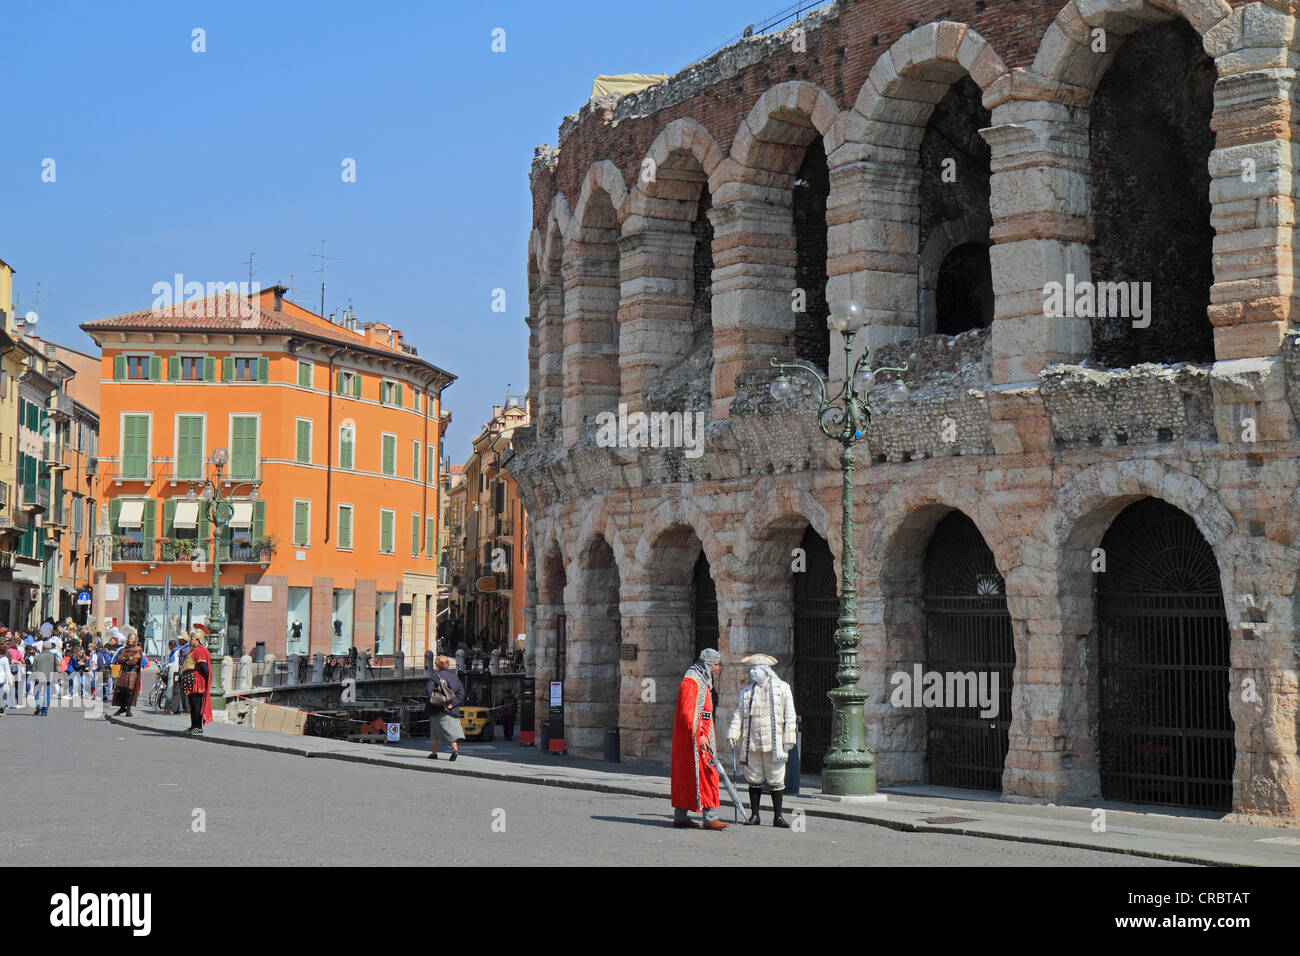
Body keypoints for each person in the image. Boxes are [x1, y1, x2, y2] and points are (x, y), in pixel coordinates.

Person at [727, 654, 798, 828]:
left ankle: (778, 817)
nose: (752, 672)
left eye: (756, 669)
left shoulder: (782, 688)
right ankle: (755, 815)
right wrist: (733, 733)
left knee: (776, 778)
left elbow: (790, 714)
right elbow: (739, 714)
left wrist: (789, 736)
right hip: (753, 742)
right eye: (751, 669)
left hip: (775, 743)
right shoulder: (746, 692)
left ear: (766, 671)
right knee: (754, 778)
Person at [670, 648, 727, 830]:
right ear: (708, 664)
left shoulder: (702, 680)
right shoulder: (691, 682)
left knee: (689, 775)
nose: (716, 669)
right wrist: (700, 734)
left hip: (701, 736)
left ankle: (682, 815)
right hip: (694, 740)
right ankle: (709, 817)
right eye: (715, 664)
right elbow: (688, 713)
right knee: (706, 774)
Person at [425, 654, 465, 761]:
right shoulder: (454, 677)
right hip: (452, 709)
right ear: (447, 664)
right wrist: (453, 704)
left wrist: (439, 702)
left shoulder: (434, 676)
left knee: (435, 732)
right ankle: (455, 750)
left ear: (437, 665)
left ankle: (434, 753)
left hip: (437, 709)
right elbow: (461, 693)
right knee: (452, 732)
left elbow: (429, 691)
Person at [182, 631, 212, 734]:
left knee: (196, 704)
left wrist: (203, 679)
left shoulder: (200, 650)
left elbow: (204, 668)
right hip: (191, 679)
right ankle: (193, 725)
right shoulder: (193, 650)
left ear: (197, 640)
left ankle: (198, 726)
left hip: (197, 681)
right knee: (192, 703)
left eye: (192, 639)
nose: (190, 641)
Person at [110, 635, 147, 717]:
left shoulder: (138, 649)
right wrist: (127, 658)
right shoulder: (124, 649)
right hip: (124, 671)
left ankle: (128, 710)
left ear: (135, 640)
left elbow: (133, 661)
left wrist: (125, 659)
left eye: (131, 638)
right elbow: (119, 659)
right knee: (121, 689)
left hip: (132, 672)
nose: (129, 640)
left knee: (129, 690)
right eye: (129, 638)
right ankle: (122, 708)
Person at [32, 641, 58, 716]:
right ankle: (44, 711)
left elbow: (34, 667)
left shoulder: (37, 656)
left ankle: (38, 705)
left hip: (38, 676)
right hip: (49, 676)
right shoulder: (53, 656)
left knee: (37, 691)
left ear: (43, 647)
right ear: (50, 647)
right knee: (47, 693)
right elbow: (56, 667)